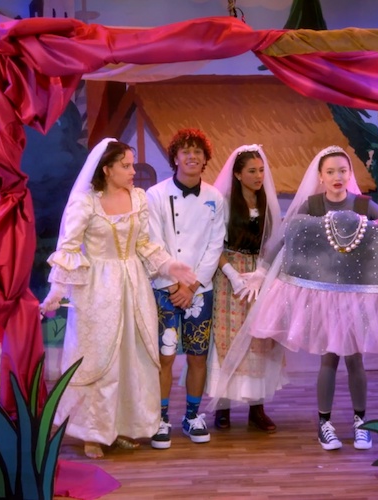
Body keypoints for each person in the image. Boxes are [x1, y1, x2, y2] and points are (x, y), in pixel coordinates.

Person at [230, 145, 378, 451]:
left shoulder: (363, 204)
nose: (337, 176)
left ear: (349, 174)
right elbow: (287, 237)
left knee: (354, 359)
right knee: (329, 358)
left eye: (342, 170)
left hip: (356, 297)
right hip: (325, 299)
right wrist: (262, 270)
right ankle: (324, 424)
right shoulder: (313, 205)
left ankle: (361, 423)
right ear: (321, 177)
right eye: (330, 172)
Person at [40, 139, 194, 459]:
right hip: (97, 288)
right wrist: (56, 291)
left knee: (131, 357)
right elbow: (68, 249)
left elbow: (145, 246)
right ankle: (92, 432)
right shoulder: (85, 203)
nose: (133, 171)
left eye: (132, 164)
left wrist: (170, 265)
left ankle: (123, 427)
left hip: (133, 286)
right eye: (125, 165)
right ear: (107, 169)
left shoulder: (138, 198)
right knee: (98, 359)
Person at [145, 129, 226, 449]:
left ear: (205, 159)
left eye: (198, 152)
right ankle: (160, 418)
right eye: (186, 151)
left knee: (197, 356)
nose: (192, 157)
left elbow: (215, 245)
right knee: (164, 357)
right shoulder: (155, 195)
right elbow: (153, 242)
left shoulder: (215, 197)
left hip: (199, 291)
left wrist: (191, 286)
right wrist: (176, 283)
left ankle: (192, 416)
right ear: (175, 158)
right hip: (164, 287)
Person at [207, 144, 286, 432]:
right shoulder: (226, 203)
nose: (258, 176)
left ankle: (257, 407)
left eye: (261, 170)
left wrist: (262, 273)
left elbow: (274, 244)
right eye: (252, 171)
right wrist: (231, 273)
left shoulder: (267, 204)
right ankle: (223, 406)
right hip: (229, 275)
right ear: (238, 174)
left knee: (258, 339)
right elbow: (213, 244)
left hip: (259, 275)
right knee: (227, 338)